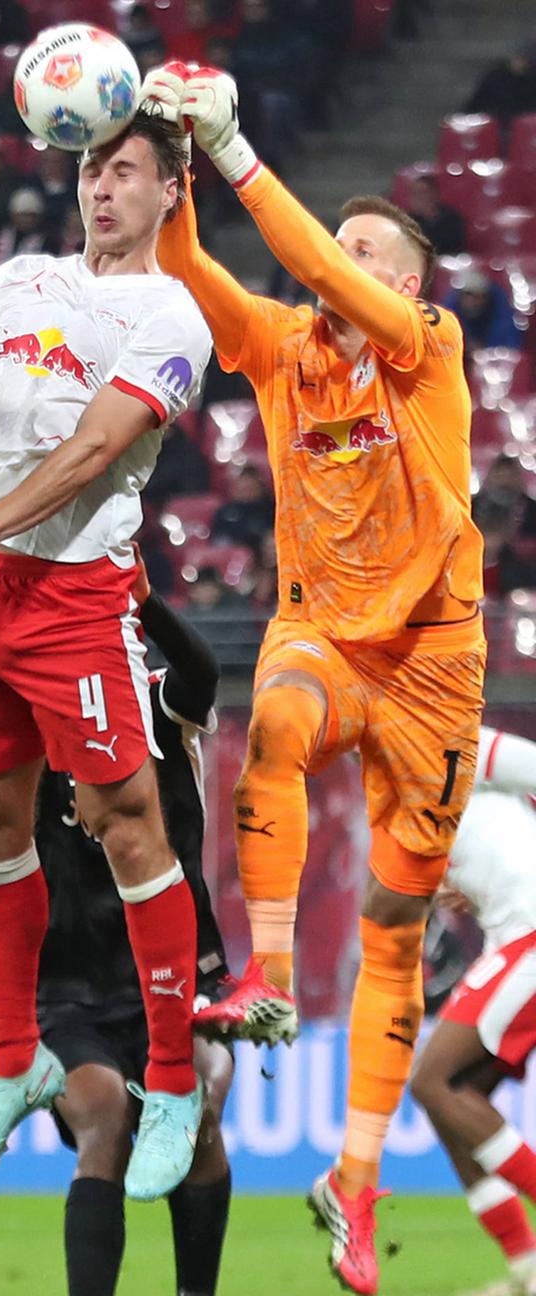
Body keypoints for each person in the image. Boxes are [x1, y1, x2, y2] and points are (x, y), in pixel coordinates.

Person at [142, 64, 486, 1292]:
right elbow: (192, 275)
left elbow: (325, 273)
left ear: (401, 282)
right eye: (331, 242)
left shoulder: (427, 346)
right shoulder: (288, 352)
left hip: (437, 667)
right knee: (274, 722)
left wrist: (240, 153)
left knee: (395, 932)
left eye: (357, 248)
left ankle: (355, 1176)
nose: (331, 260)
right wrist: (181, 171)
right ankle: (273, 979)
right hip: (328, 640)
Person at [0, 110, 213, 1201]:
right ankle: (13, 1061)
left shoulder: (170, 313)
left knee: (124, 823)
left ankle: (171, 1079)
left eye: (127, 173)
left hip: (74, 594)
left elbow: (97, 446)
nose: (102, 189)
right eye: (91, 170)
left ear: (172, 190)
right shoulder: (18, 277)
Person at [38, 587, 233, 1296]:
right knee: (107, 1122)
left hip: (185, 978)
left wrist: (136, 597)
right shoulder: (29, 728)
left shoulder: (162, 707)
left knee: (199, 1113)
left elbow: (201, 668)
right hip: (71, 994)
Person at [410, 727, 536, 1296]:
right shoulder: (400, 779)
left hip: (529, 934)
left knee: (435, 1082)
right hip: (508, 938)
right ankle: (526, 1268)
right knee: (446, 1092)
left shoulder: (459, 740)